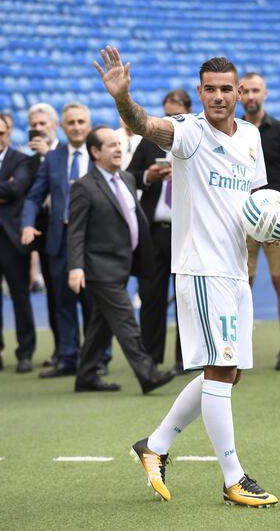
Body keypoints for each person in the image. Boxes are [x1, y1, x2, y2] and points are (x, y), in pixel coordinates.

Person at [94, 46, 278, 507]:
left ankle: (153, 446)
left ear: (238, 92)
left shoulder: (252, 137)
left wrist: (269, 226)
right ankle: (233, 477)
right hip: (201, 268)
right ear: (199, 93)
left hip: (236, 268)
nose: (217, 96)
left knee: (228, 373)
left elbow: (256, 199)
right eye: (209, 89)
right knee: (219, 369)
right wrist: (123, 100)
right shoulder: (187, 132)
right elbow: (144, 124)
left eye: (225, 89)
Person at [67, 126, 175, 393]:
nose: (118, 148)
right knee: (125, 319)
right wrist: (76, 267)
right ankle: (147, 374)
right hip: (100, 267)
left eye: (119, 144)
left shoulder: (126, 178)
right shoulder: (84, 187)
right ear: (95, 152)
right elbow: (76, 231)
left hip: (124, 264)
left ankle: (86, 374)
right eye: (111, 145)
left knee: (101, 324)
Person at [21, 103, 111, 378]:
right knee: (63, 302)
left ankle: (98, 358)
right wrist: (27, 223)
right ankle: (68, 357)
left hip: (93, 242)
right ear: (61, 127)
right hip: (59, 241)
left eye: (81, 121)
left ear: (89, 124)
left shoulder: (100, 154)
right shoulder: (53, 159)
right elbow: (34, 196)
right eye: (70, 122)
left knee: (95, 303)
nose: (76, 127)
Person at [127, 89, 192, 373]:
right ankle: (151, 359)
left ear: (188, 113)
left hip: (188, 231)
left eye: (175, 114)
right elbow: (128, 177)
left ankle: (185, 358)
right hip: (155, 231)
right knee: (151, 295)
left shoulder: (196, 143)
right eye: (165, 113)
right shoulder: (149, 142)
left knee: (186, 298)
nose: (169, 119)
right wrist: (149, 177)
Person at [240, 72, 280, 371]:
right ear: (240, 94)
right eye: (246, 90)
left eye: (256, 90)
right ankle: (237, 349)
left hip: (277, 221)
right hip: (242, 218)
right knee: (242, 284)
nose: (251, 96)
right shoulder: (231, 130)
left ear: (265, 94)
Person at [0, 114, 36, 373]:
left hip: (10, 238)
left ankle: (25, 352)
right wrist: (2, 189)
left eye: (0, 133)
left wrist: (7, 190)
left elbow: (16, 189)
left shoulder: (21, 160)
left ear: (8, 133)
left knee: (20, 296)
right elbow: (6, 190)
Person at [26, 103, 60, 366]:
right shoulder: (27, 161)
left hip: (75, 229)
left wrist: (48, 155)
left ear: (54, 126)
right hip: (46, 232)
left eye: (42, 124)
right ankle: (62, 349)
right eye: (33, 125)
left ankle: (92, 352)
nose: (37, 129)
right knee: (54, 293)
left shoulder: (62, 152)